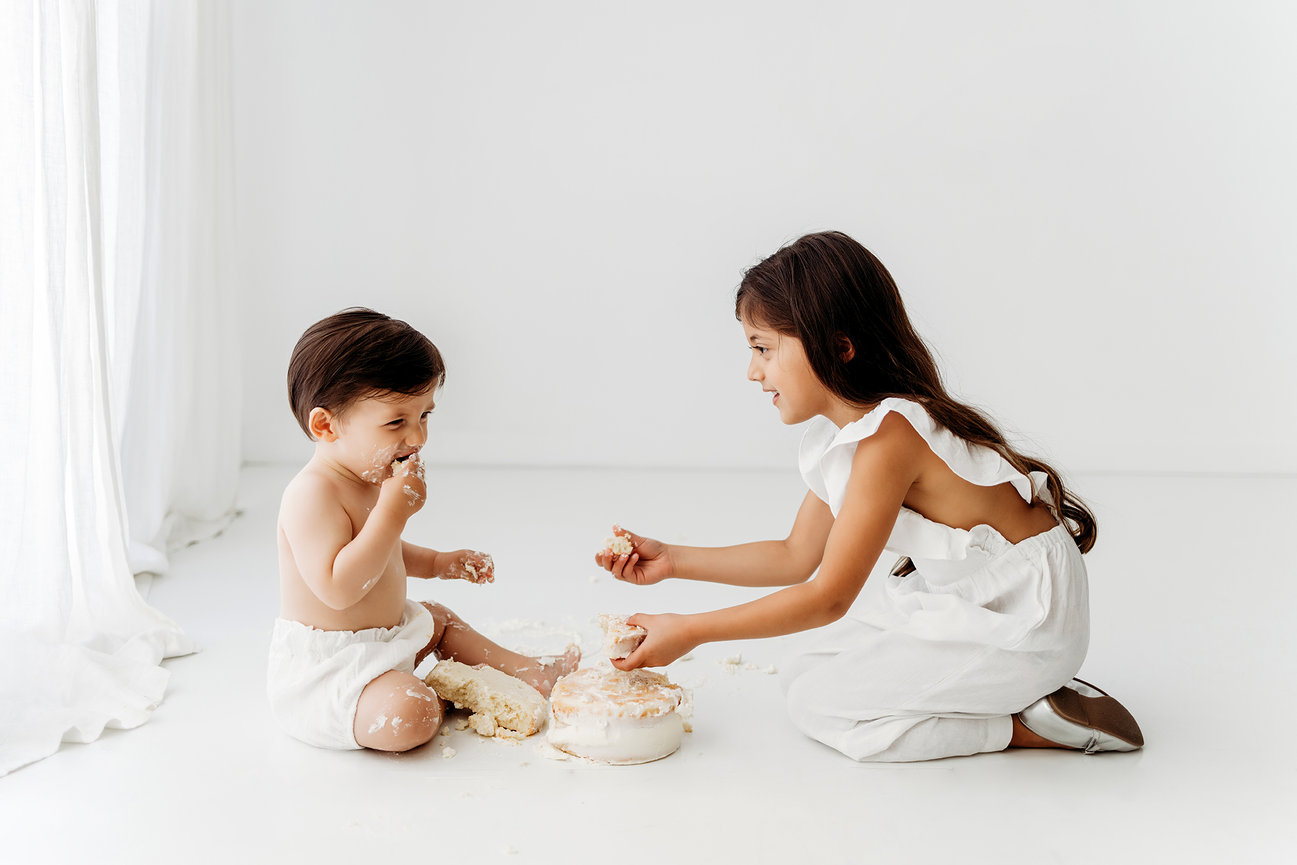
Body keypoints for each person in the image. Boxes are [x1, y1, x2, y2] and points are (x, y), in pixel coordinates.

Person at [595, 232, 1142, 762]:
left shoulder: (890, 439)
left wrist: (690, 631)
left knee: (820, 706)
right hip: (973, 600)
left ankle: (1026, 722)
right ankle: (1004, 690)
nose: (752, 371)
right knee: (803, 665)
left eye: (763, 348)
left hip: (1031, 619)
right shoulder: (849, 437)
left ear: (838, 347)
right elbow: (796, 555)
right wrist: (673, 561)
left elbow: (828, 596)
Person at [270, 308, 579, 752]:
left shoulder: (367, 478)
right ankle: (430, 697)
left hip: (385, 643)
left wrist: (437, 562)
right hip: (335, 672)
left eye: (425, 416)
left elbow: (382, 552)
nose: (417, 437)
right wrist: (394, 514)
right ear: (326, 424)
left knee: (437, 617)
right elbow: (339, 588)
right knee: (410, 716)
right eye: (396, 421)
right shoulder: (311, 495)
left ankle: (531, 671)